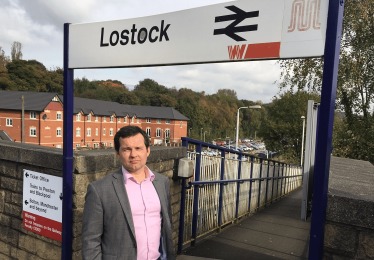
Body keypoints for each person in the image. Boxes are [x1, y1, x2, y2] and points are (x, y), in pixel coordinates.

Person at [82, 126, 175, 260]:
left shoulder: (162, 182)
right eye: (127, 149)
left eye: (138, 148)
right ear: (118, 153)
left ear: (147, 150)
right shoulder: (99, 189)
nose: (133, 154)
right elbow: (90, 241)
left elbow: (166, 226)